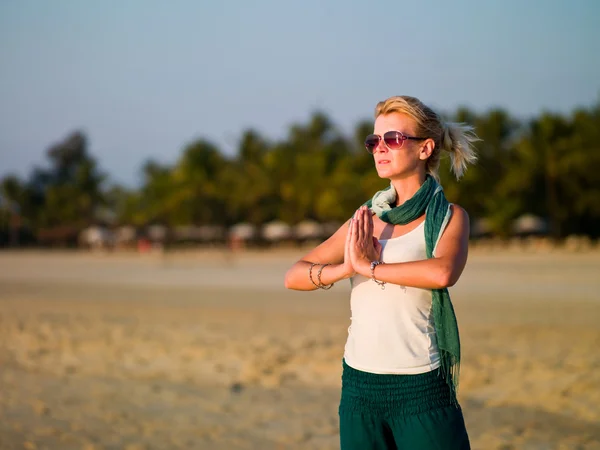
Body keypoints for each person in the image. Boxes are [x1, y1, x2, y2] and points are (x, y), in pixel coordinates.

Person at [284, 95, 478, 449]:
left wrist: (372, 268)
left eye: (393, 139)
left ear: (425, 149)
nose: (380, 149)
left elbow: (442, 272)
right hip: (359, 388)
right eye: (374, 141)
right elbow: (294, 275)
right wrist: (347, 268)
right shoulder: (365, 219)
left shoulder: (451, 217)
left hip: (421, 386)